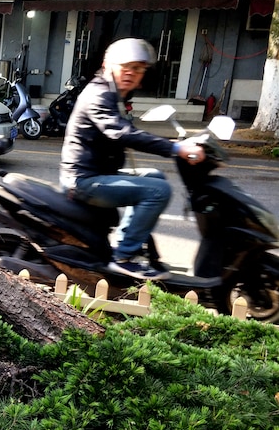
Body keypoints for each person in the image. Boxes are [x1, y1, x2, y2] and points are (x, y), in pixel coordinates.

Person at [59, 38, 206, 280]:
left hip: (97, 174)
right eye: (124, 66)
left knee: (155, 177)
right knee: (158, 191)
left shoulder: (113, 94)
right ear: (107, 65)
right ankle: (124, 257)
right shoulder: (99, 93)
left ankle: (128, 241)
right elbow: (121, 132)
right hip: (83, 181)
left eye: (138, 68)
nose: (130, 72)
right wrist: (175, 148)